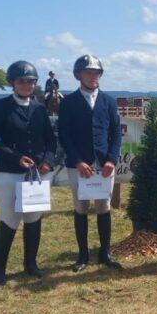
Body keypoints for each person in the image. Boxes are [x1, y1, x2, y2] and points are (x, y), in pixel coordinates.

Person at [0, 61, 57, 284]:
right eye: (22, 81)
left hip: (36, 174)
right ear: (13, 83)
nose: (27, 85)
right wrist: (16, 157)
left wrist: (48, 161)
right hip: (9, 172)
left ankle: (31, 264)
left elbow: (50, 141)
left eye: (31, 81)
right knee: (9, 219)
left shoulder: (40, 109)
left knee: (33, 218)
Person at [57, 54, 123, 271]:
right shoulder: (68, 102)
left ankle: (105, 252)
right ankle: (83, 254)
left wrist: (112, 160)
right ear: (79, 75)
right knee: (81, 207)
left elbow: (115, 133)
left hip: (104, 164)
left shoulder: (108, 101)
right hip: (79, 165)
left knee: (103, 207)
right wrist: (77, 161)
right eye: (88, 72)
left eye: (96, 72)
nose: (93, 76)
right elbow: (64, 135)